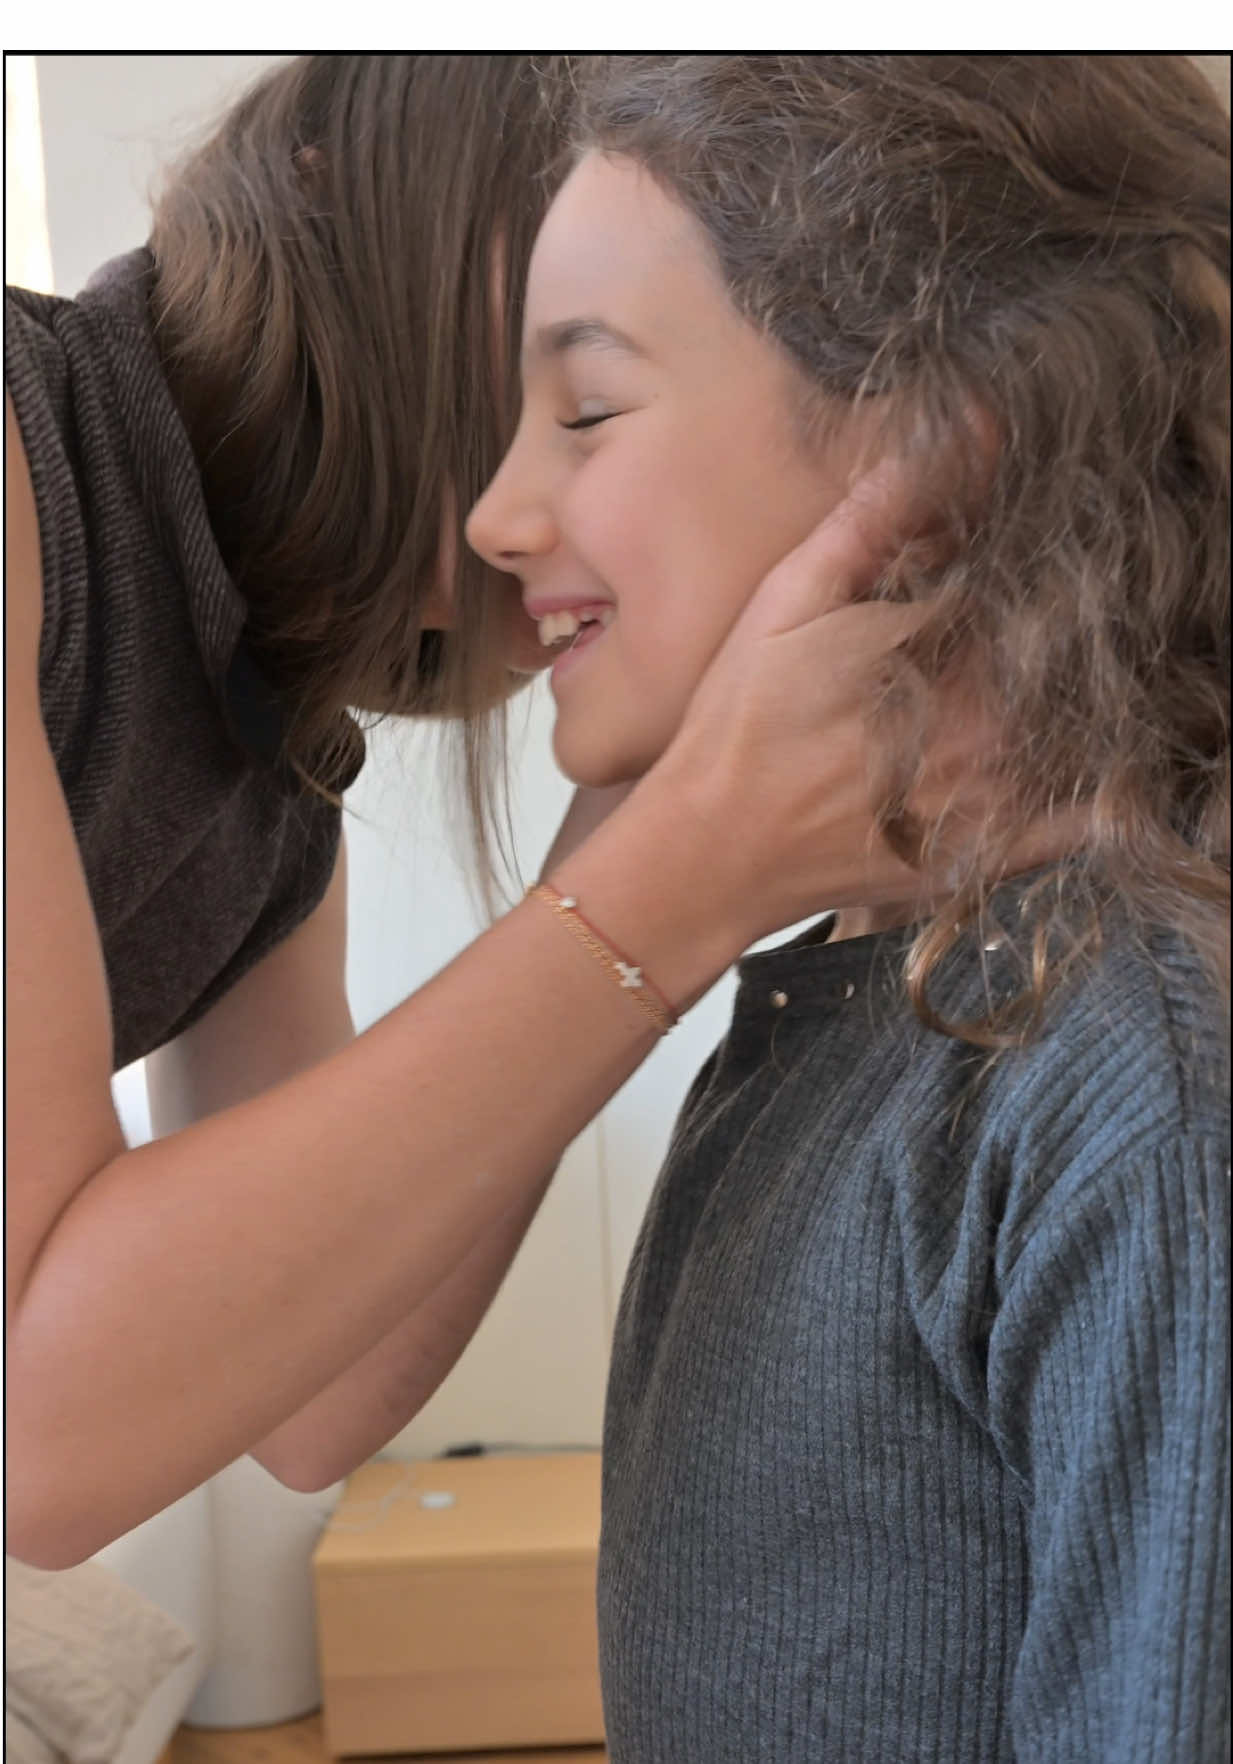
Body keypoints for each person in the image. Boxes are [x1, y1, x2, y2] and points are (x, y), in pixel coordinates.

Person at [5, 53, 938, 1572]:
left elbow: (310, 1398)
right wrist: (688, 872)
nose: (530, 500)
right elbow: (37, 1429)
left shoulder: (265, 763)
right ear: (347, 207)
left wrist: (652, 763)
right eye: (568, 386)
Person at [467, 52, 1230, 1762]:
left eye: (584, 409)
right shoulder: (843, 989)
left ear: (938, 448)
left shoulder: (1132, 1069)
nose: (496, 515)